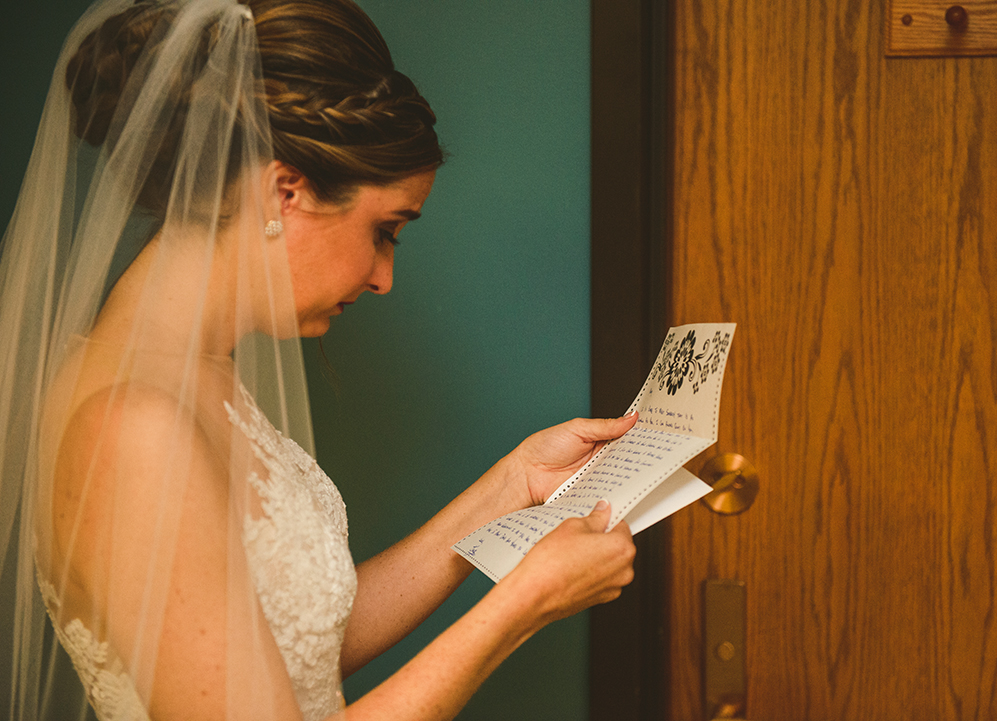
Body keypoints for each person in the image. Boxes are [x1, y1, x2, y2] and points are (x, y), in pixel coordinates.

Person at [0, 0, 638, 718]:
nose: (384, 277)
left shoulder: (188, 369)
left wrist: (510, 485)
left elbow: (291, 641)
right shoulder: (130, 427)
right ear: (284, 189)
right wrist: (523, 603)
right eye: (384, 230)